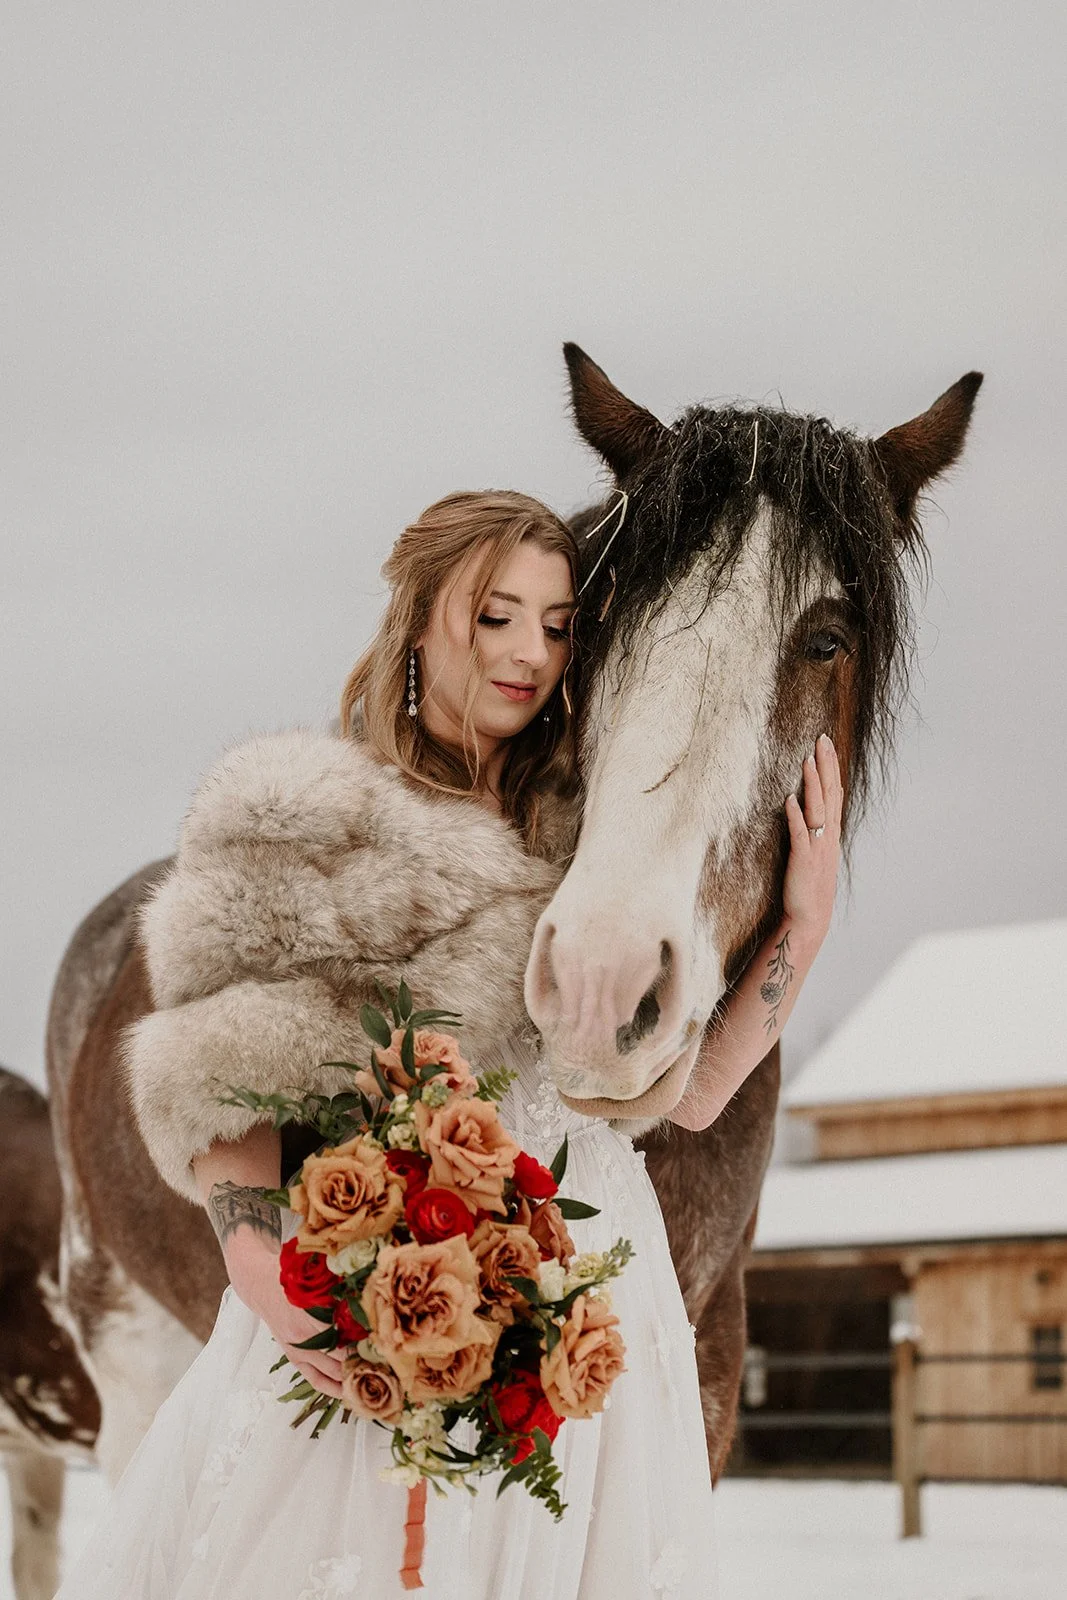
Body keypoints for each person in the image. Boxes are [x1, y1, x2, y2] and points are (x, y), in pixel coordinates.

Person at [56, 490, 841, 1599]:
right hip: (378, 1308)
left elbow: (694, 1095)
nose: (530, 652)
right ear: (421, 619)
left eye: (559, 625)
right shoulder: (295, 817)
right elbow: (223, 1086)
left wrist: (803, 927)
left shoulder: (592, 840)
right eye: (495, 616)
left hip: (588, 1328)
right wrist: (258, 1267)